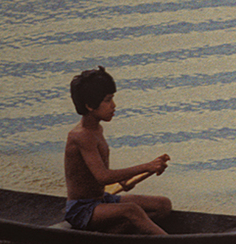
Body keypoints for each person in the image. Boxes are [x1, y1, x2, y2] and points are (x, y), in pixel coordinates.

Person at [63, 66, 173, 234]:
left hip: (102, 200)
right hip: (81, 210)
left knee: (163, 205)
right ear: (89, 105)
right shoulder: (81, 136)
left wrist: (126, 181)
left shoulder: (97, 129)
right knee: (131, 210)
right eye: (107, 100)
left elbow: (95, 176)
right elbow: (103, 177)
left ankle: (110, 235)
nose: (113, 106)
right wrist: (147, 166)